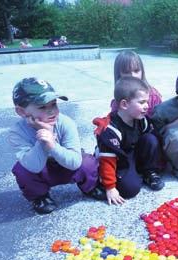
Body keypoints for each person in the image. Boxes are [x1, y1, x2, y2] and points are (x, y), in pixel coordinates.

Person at [8, 78, 106, 214]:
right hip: (42, 170)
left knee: (87, 163)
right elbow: (33, 166)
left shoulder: (66, 123)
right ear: (22, 112)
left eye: (54, 104)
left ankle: (90, 186)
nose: (52, 111)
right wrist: (43, 140)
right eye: (42, 107)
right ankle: (40, 196)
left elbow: (75, 163)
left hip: (67, 166)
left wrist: (52, 145)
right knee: (22, 170)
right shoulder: (17, 132)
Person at [93, 77, 164, 206]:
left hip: (131, 153)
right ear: (124, 104)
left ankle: (148, 172)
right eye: (142, 102)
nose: (147, 106)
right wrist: (110, 187)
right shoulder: (110, 130)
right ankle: (99, 181)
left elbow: (151, 143)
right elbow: (107, 161)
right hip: (116, 158)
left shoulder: (141, 120)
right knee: (130, 190)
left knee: (151, 138)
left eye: (147, 102)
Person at [110, 51, 162, 117]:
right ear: (119, 75)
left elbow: (161, 120)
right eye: (126, 72)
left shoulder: (153, 96)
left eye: (136, 71)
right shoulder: (118, 100)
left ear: (142, 71)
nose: (133, 75)